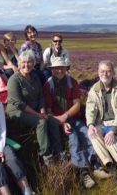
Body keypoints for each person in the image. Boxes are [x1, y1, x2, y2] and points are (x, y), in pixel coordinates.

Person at [43, 57, 111, 189]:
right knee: (73, 138)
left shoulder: (72, 82)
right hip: (58, 120)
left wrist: (66, 116)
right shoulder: (48, 86)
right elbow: (48, 111)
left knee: (87, 134)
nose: (59, 71)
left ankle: (96, 166)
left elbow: (77, 105)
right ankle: (84, 172)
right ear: (51, 70)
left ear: (66, 69)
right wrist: (62, 123)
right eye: (56, 68)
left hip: (73, 117)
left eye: (62, 68)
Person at [6, 50, 62, 166]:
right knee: (41, 122)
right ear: (19, 63)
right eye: (23, 62)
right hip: (17, 112)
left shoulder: (35, 77)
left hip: (35, 110)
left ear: (33, 63)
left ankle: (59, 150)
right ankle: (46, 155)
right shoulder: (14, 80)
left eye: (30, 62)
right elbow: (19, 103)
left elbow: (41, 96)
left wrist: (42, 110)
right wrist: (38, 115)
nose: (27, 65)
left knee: (51, 119)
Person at [85, 60, 117, 183]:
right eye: (102, 71)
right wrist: (91, 125)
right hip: (102, 124)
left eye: (108, 71)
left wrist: (113, 131)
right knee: (92, 133)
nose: (105, 74)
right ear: (98, 73)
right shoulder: (94, 90)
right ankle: (110, 166)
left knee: (109, 140)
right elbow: (90, 110)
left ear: (113, 73)